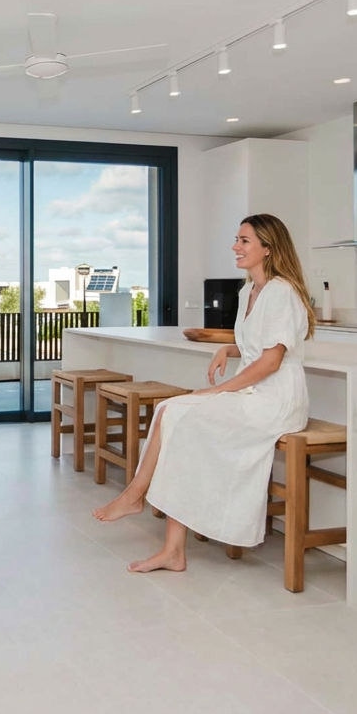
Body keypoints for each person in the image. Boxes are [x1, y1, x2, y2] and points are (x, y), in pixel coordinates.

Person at [92, 213, 315, 573]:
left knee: (176, 413)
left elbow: (273, 362)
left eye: (244, 240)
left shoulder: (282, 293)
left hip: (276, 400)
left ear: (268, 249)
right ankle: (170, 547)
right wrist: (229, 349)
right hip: (252, 393)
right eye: (237, 239)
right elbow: (259, 346)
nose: (235, 246)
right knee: (172, 413)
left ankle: (136, 497)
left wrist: (220, 391)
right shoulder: (249, 291)